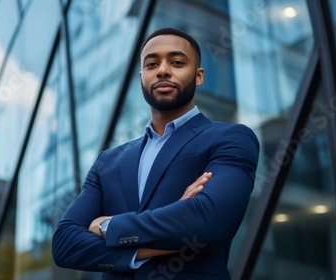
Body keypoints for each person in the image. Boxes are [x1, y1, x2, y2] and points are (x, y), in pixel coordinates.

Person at [52, 27, 259, 280]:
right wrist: (165, 233)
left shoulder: (230, 138)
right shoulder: (108, 161)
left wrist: (109, 226)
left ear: (199, 75)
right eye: (151, 64)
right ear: (141, 78)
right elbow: (64, 244)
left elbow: (207, 218)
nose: (162, 70)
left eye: (177, 62)